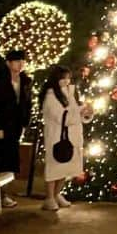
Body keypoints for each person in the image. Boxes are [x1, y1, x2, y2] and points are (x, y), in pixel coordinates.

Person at [39, 65, 91, 211]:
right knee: (55, 167)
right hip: (57, 136)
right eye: (63, 78)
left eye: (68, 78)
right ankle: (49, 197)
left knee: (65, 168)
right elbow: (63, 117)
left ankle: (56, 194)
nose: (66, 81)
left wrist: (85, 112)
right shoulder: (51, 96)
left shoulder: (70, 93)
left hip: (71, 136)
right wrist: (80, 112)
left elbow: (75, 114)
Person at [0, 48, 33, 208]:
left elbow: (27, 103)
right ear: (9, 63)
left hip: (15, 127)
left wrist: (25, 124)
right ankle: (0, 195)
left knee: (9, 161)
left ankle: (3, 194)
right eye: (18, 61)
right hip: (1, 125)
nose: (21, 64)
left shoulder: (25, 80)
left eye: (23, 61)